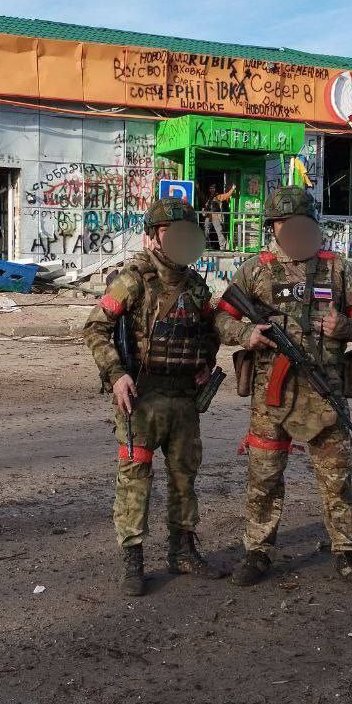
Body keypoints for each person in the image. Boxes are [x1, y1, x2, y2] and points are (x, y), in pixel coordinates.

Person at [213, 185, 352, 593]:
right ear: (273, 228)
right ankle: (257, 551)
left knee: (336, 477)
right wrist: (246, 334)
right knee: (264, 476)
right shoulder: (255, 270)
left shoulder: (336, 268)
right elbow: (221, 317)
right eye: (286, 225)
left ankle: (347, 551)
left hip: (325, 391)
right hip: (271, 395)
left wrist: (348, 326)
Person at [83, 197, 227, 596]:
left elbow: (211, 330)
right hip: (141, 399)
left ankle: (183, 551)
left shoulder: (196, 286)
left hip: (184, 399)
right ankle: (134, 560)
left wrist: (206, 361)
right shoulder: (132, 280)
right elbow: (95, 328)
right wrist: (116, 375)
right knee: (135, 480)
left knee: (185, 477)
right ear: (153, 237)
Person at [203, 181, 236, 250]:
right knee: (206, 230)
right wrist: (197, 188)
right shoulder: (208, 197)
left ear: (215, 189)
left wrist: (232, 189)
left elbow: (227, 195)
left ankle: (222, 246)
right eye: (210, 188)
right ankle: (207, 245)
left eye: (213, 188)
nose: (212, 190)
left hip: (215, 216)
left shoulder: (218, 196)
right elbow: (201, 196)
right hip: (208, 216)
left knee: (219, 231)